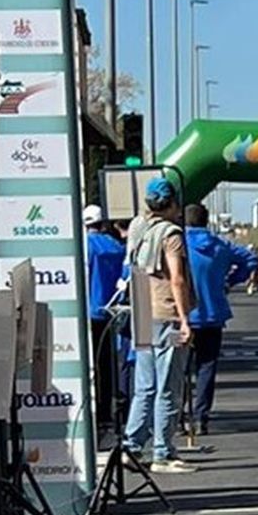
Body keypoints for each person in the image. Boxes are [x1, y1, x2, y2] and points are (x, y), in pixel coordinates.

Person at [123, 177, 198, 473]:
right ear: (172, 204)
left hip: (141, 310)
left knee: (144, 386)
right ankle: (163, 453)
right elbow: (177, 278)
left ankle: (132, 444)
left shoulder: (136, 227)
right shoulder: (172, 234)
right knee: (168, 386)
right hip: (165, 313)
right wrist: (185, 319)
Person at [184, 203, 258, 435]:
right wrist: (231, 281)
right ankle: (201, 416)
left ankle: (179, 416)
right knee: (206, 367)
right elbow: (252, 259)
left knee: (179, 370)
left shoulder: (179, 244)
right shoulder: (220, 245)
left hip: (181, 315)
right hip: (212, 314)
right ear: (206, 221)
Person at [84, 204, 127, 437]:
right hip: (110, 311)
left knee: (89, 367)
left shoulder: (84, 247)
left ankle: (93, 412)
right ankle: (105, 413)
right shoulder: (116, 247)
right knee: (107, 365)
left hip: (87, 312)